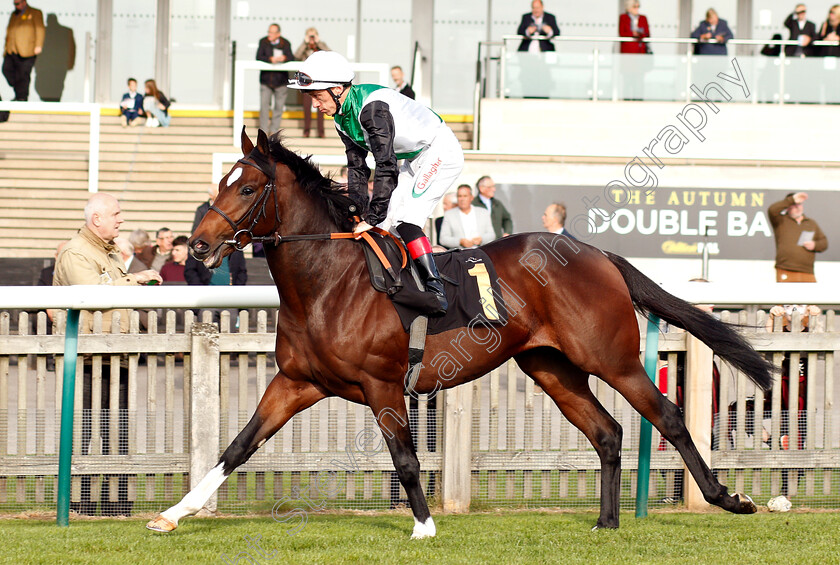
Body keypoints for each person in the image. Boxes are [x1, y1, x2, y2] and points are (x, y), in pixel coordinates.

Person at [288, 50, 465, 316]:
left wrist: (373, 213)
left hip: (439, 151)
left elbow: (385, 164)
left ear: (337, 89)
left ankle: (436, 290)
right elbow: (357, 168)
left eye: (317, 96)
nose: (315, 104)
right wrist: (356, 211)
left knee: (406, 220)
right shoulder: (340, 118)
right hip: (412, 158)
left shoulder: (372, 109)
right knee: (383, 227)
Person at [53, 193, 161, 516]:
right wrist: (135, 278)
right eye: (116, 213)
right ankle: (80, 504)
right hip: (88, 358)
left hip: (116, 356)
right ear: (96, 219)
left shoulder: (109, 252)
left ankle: (118, 505)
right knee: (86, 433)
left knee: (118, 431)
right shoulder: (76, 252)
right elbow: (92, 295)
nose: (121, 219)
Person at [768, 192, 827, 282]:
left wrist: (815, 245)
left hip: (807, 271)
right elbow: (772, 210)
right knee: (786, 296)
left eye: (799, 204)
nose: (797, 207)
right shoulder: (781, 221)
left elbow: (824, 243)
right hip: (786, 269)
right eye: (794, 205)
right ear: (787, 207)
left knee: (810, 296)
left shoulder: (811, 223)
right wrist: (792, 200)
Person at [3, 0, 44, 101]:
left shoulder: (34, 13)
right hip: (12, 50)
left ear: (24, 2)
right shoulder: (14, 14)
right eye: (15, 4)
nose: (16, 6)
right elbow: (10, 30)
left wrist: (38, 45)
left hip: (27, 50)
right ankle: (19, 93)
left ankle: (21, 98)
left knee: (23, 74)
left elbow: (40, 29)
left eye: (18, 3)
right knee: (6, 69)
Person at [257, 23, 294, 134]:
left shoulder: (286, 43)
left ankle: (273, 131)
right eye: (269, 32)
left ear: (278, 34)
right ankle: (263, 131)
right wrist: (270, 59)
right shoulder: (263, 42)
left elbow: (291, 57)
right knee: (264, 107)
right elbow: (259, 56)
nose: (269, 34)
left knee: (278, 107)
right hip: (266, 80)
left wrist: (284, 58)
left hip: (281, 81)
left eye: (272, 32)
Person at [294, 27, 329, 138]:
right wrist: (305, 43)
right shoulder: (304, 47)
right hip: (307, 81)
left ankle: (321, 131)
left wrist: (319, 43)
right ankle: (307, 130)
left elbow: (330, 55)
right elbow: (296, 56)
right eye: (310, 35)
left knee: (321, 107)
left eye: (313, 35)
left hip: (320, 81)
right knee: (307, 106)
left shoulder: (321, 46)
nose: (312, 38)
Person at [438, 184, 496, 249]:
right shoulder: (449, 215)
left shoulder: (483, 212)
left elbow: (491, 235)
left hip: (480, 252)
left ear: (471, 197)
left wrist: (481, 239)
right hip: (459, 254)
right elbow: (443, 239)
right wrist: (460, 241)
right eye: (460, 196)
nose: (462, 199)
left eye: (465, 196)